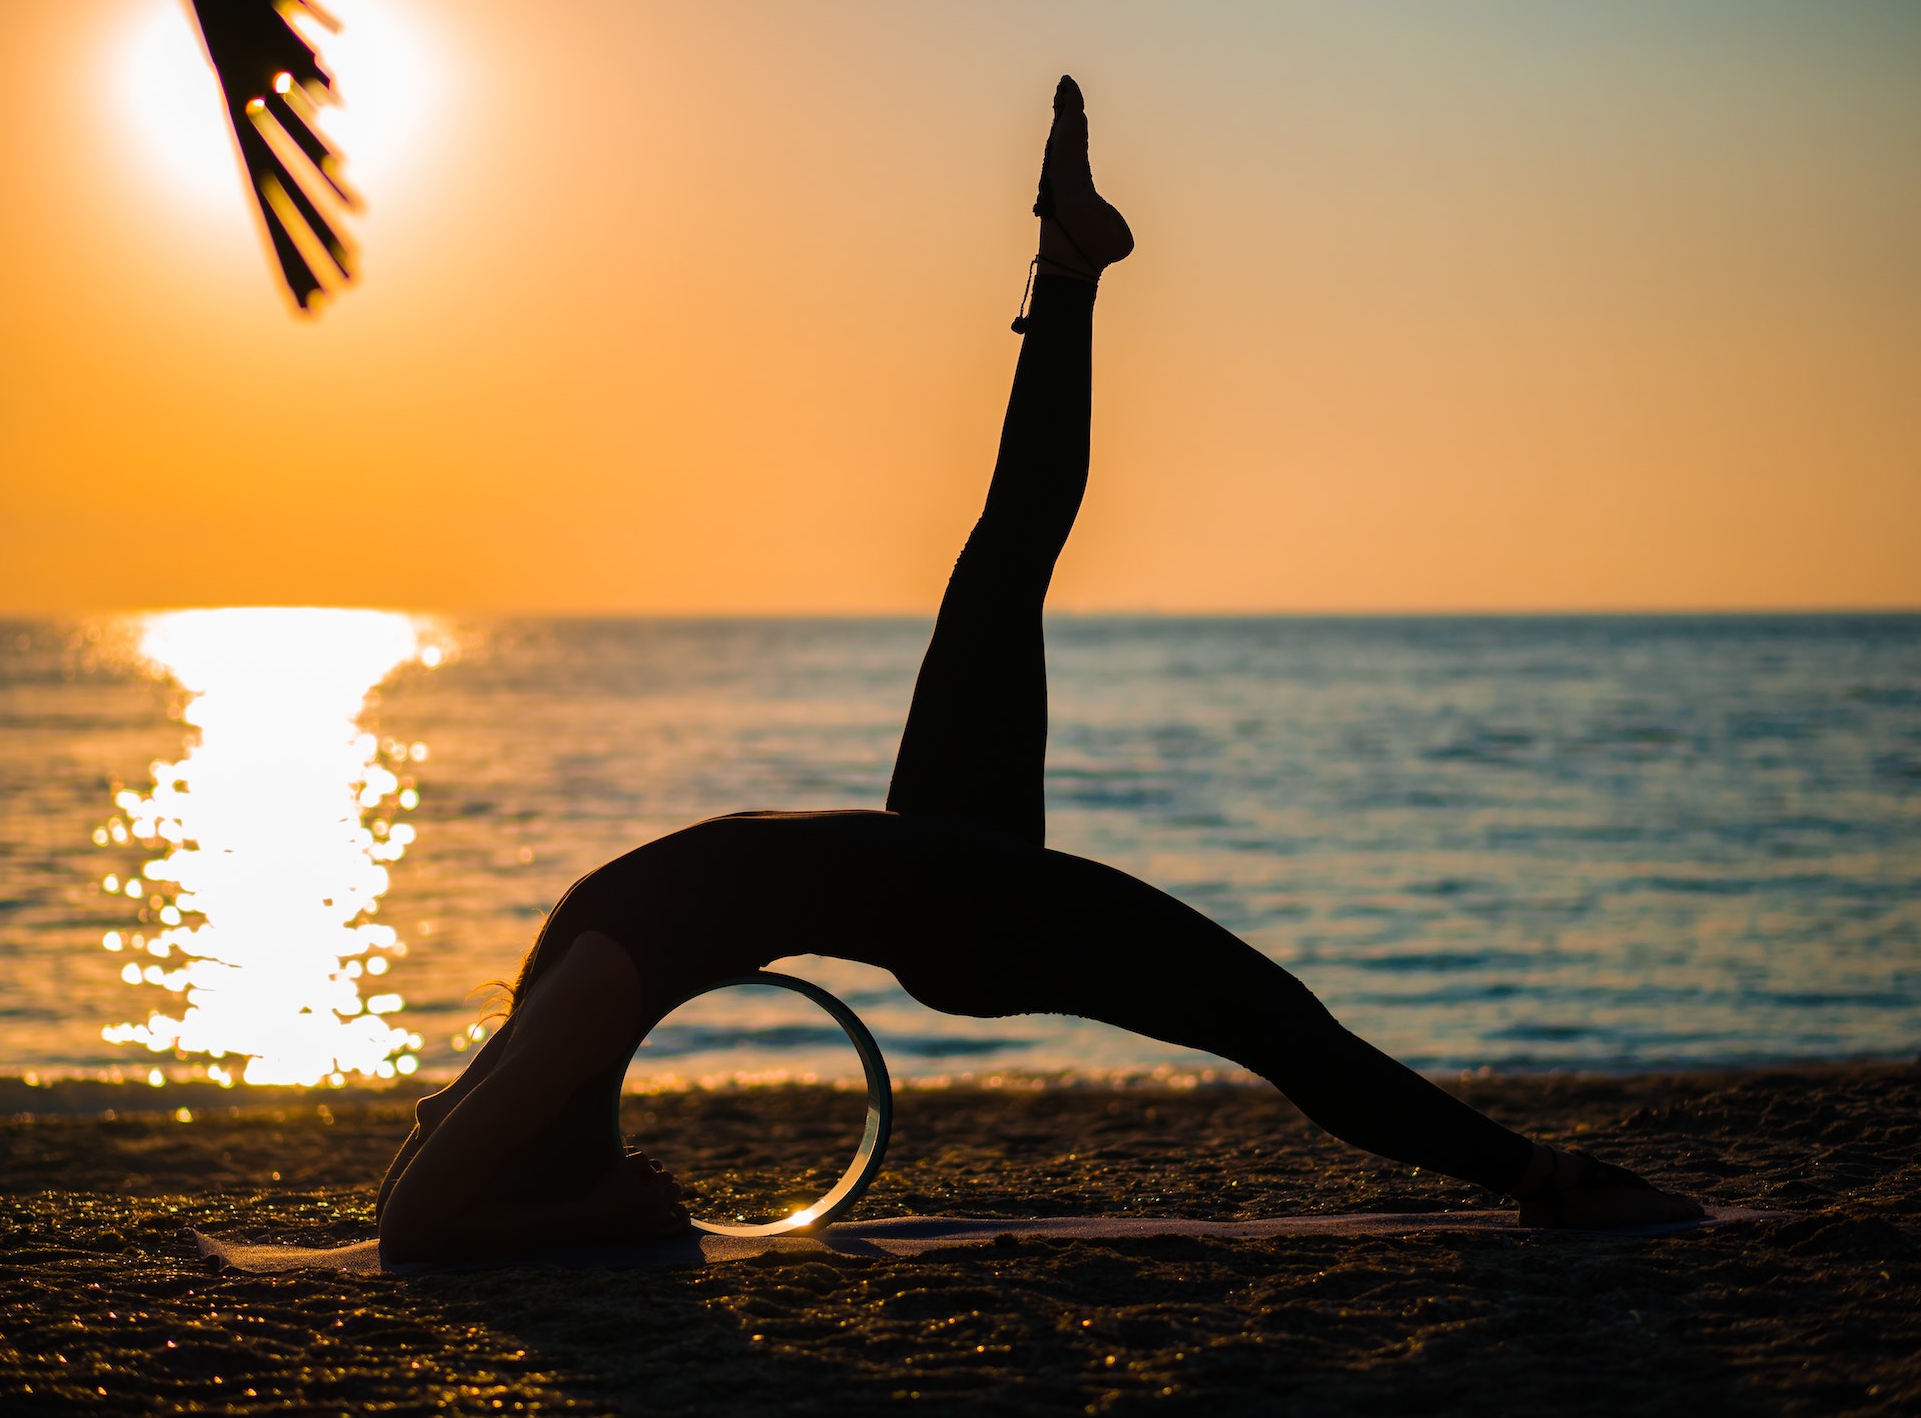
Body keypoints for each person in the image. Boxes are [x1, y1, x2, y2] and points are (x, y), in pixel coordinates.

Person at [375, 78, 1703, 1263]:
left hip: (939, 856)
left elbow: (421, 1199)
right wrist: (586, 1208)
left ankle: (1067, 262)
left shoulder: (577, 993)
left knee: (1007, 551)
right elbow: (417, 1213)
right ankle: (1542, 1177)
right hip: (957, 904)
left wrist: (582, 1203)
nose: (438, 1108)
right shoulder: (577, 991)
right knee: (1264, 1011)